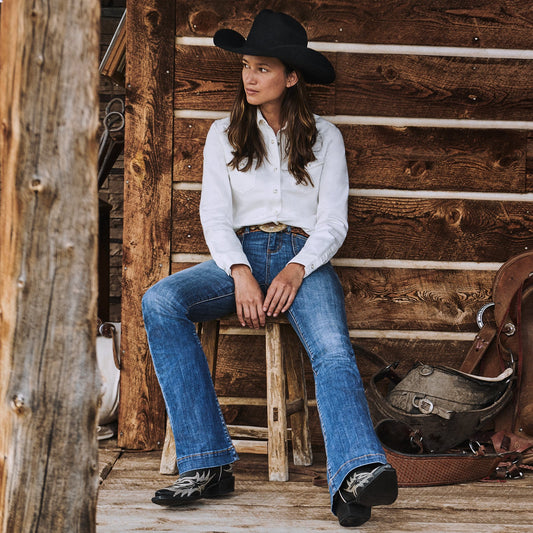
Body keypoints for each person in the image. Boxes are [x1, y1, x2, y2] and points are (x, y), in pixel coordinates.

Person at [142, 9, 398, 528]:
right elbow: (213, 215)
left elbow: (332, 222)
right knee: (161, 301)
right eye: (246, 67)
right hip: (240, 253)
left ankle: (356, 473)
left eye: (262, 68)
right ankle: (208, 463)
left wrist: (297, 269)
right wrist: (238, 270)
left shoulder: (326, 137)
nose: (250, 77)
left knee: (330, 350)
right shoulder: (224, 134)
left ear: (292, 76)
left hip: (306, 259)